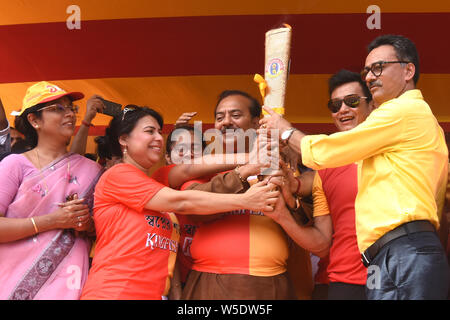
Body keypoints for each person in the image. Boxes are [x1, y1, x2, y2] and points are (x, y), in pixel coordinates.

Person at [260, 34, 449, 300]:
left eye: (379, 67)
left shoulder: (402, 111)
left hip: (403, 251)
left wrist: (284, 131)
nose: (371, 76)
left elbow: (327, 151)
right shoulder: (406, 129)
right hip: (393, 254)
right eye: (368, 70)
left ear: (408, 70)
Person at [80, 105, 279, 300]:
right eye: (150, 131)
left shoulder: (156, 180)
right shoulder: (118, 175)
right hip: (113, 292)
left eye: (159, 132)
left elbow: (189, 169)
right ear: (124, 139)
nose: (159, 137)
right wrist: (245, 200)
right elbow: (181, 201)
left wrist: (252, 159)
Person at [181, 90, 313, 300]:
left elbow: (307, 223)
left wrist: (289, 195)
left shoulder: (283, 168)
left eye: (235, 115)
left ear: (255, 123)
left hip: (270, 285)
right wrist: (245, 170)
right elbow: (192, 210)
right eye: (219, 117)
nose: (225, 122)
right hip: (209, 286)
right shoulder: (204, 167)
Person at [264, 69, 375, 300]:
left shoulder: (391, 152)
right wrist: (282, 213)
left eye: (352, 101)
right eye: (335, 105)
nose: (343, 109)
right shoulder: (325, 167)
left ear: (372, 105)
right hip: (342, 282)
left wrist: (285, 131)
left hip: (394, 277)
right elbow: (322, 243)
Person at [0, 81, 103, 300]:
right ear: (34, 119)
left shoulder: (91, 169)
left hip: (69, 285)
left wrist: (87, 224)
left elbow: (105, 230)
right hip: (12, 283)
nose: (70, 114)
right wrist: (53, 220)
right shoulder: (14, 165)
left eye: (70, 108)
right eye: (58, 108)